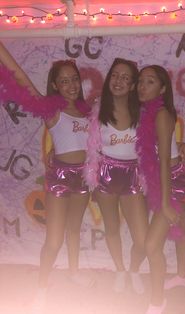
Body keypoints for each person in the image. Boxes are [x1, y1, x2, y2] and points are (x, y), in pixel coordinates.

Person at [0, 42, 94, 313]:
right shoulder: (51, 110)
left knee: (74, 229)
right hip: (61, 176)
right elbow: (19, 76)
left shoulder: (89, 112)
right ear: (55, 85)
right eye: (63, 81)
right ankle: (42, 288)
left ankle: (74, 272)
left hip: (84, 177)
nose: (71, 84)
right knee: (53, 239)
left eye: (74, 79)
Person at [85, 57, 149, 294]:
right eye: (115, 75)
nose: (118, 81)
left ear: (133, 85)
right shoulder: (96, 109)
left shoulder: (143, 112)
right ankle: (120, 270)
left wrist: (180, 145)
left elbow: (160, 140)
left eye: (125, 77)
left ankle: (134, 270)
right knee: (112, 228)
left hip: (133, 175)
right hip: (105, 174)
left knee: (142, 239)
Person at [136, 65, 185, 314]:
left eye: (149, 82)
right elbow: (166, 147)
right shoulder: (149, 111)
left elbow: (162, 163)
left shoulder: (159, 114)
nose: (142, 86)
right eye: (140, 81)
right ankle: (182, 275)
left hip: (171, 178)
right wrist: (181, 145)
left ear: (161, 88)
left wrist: (166, 203)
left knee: (151, 246)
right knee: (182, 226)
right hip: (170, 172)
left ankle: (158, 301)